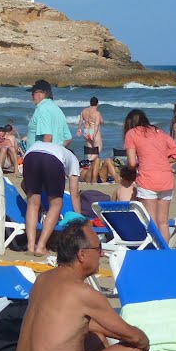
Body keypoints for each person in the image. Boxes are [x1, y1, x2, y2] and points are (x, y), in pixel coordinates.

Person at [16, 221, 149, 351]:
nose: (102, 254)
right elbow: (134, 337)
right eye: (98, 248)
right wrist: (144, 341)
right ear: (82, 255)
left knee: (93, 338)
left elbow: (79, 324)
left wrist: (115, 334)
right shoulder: (83, 293)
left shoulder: (42, 279)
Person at [123, 109, 176, 241]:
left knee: (152, 221)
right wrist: (163, 162)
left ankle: (155, 253)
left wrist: (134, 166)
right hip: (166, 179)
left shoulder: (131, 134)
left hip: (148, 179)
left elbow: (132, 163)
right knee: (163, 221)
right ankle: (165, 253)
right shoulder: (160, 132)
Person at [22, 126, 82, 256]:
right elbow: (75, 193)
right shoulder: (73, 160)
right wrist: (79, 217)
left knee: (32, 204)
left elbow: (24, 184)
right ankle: (41, 247)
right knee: (56, 204)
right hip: (52, 161)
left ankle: (31, 246)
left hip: (30, 155)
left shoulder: (55, 148)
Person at [26, 79, 71, 148]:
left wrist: (43, 156)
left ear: (41, 94)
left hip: (39, 156)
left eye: (33, 93)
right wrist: (57, 151)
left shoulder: (42, 108)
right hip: (55, 155)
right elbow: (68, 139)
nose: (31, 96)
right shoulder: (57, 109)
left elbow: (48, 137)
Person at [78, 97, 104, 184]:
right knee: (98, 148)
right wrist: (94, 134)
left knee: (90, 150)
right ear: (97, 103)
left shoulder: (84, 111)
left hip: (86, 130)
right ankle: (90, 163)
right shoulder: (97, 113)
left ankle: (89, 165)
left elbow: (81, 120)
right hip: (93, 130)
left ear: (90, 103)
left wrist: (79, 129)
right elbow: (96, 125)